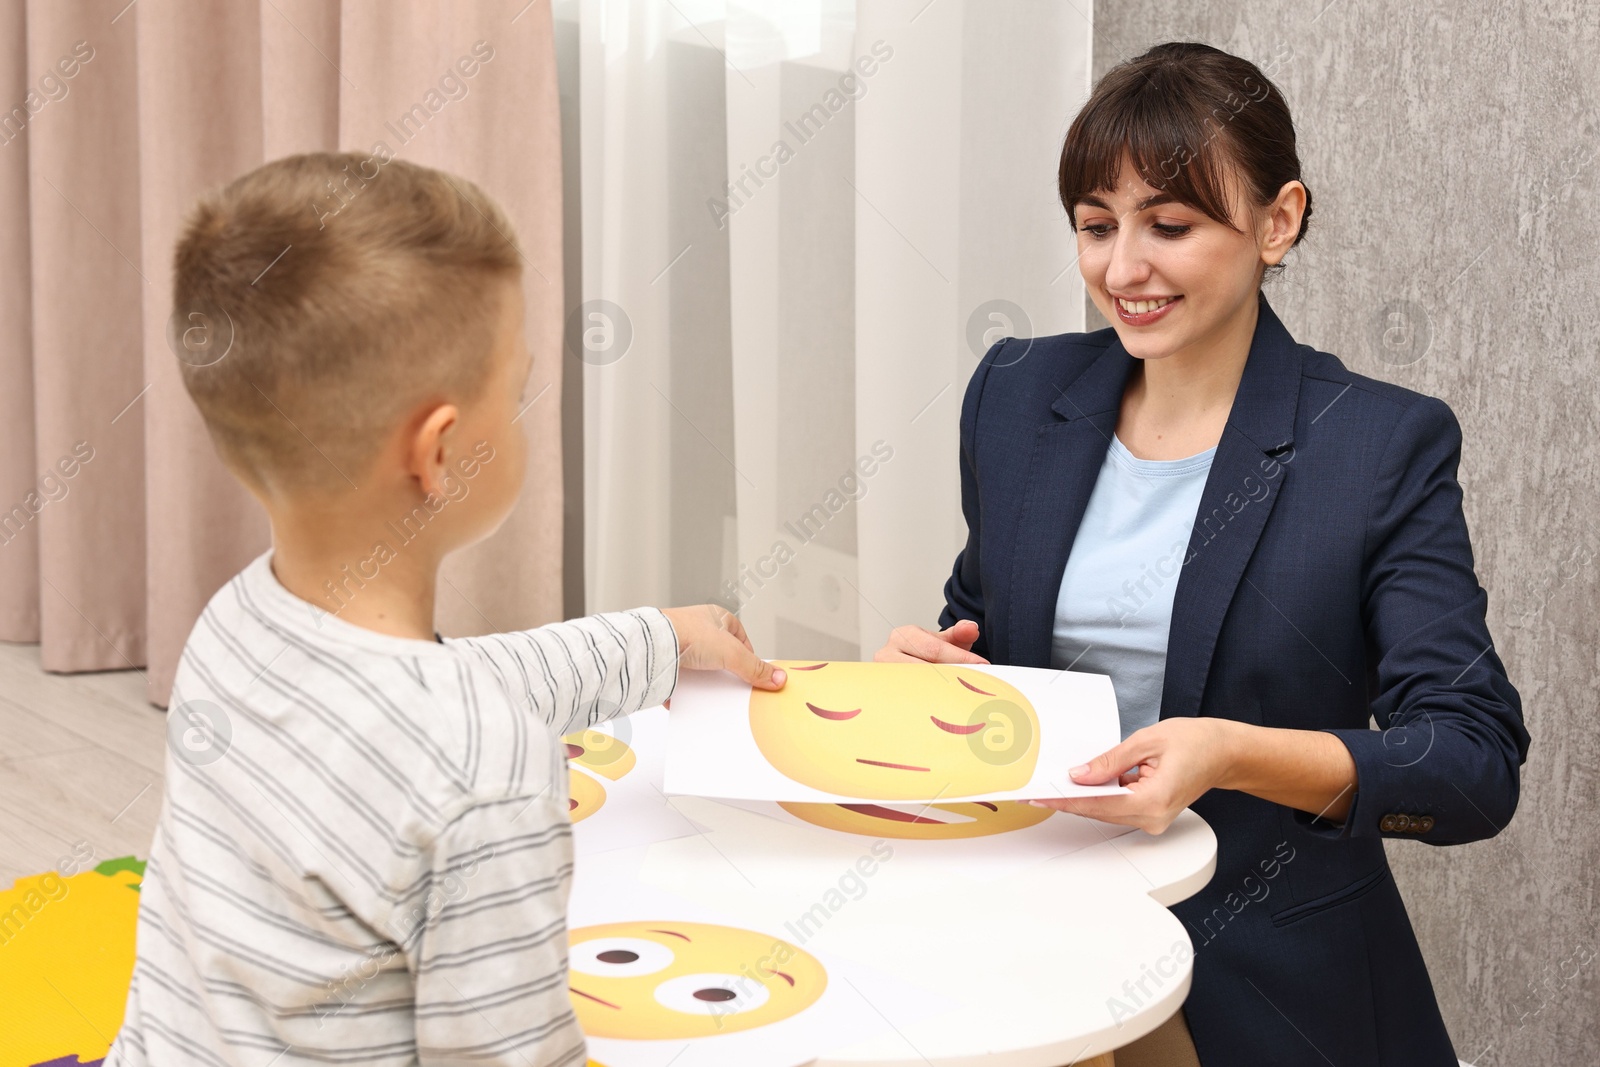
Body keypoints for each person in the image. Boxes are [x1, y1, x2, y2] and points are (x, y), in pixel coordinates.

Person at [876, 41, 1529, 1067]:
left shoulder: (1374, 444)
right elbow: (984, 625)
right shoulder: (1014, 393)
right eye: (1096, 226)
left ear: (1279, 221)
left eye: (1169, 225)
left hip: (1261, 979)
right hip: (1029, 951)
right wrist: (931, 681)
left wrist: (1229, 751)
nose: (1121, 268)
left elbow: (1470, 760)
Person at [106, 152, 785, 1066]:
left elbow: (442, 692)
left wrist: (657, 639)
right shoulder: (482, 758)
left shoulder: (238, 621)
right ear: (442, 449)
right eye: (518, 388)